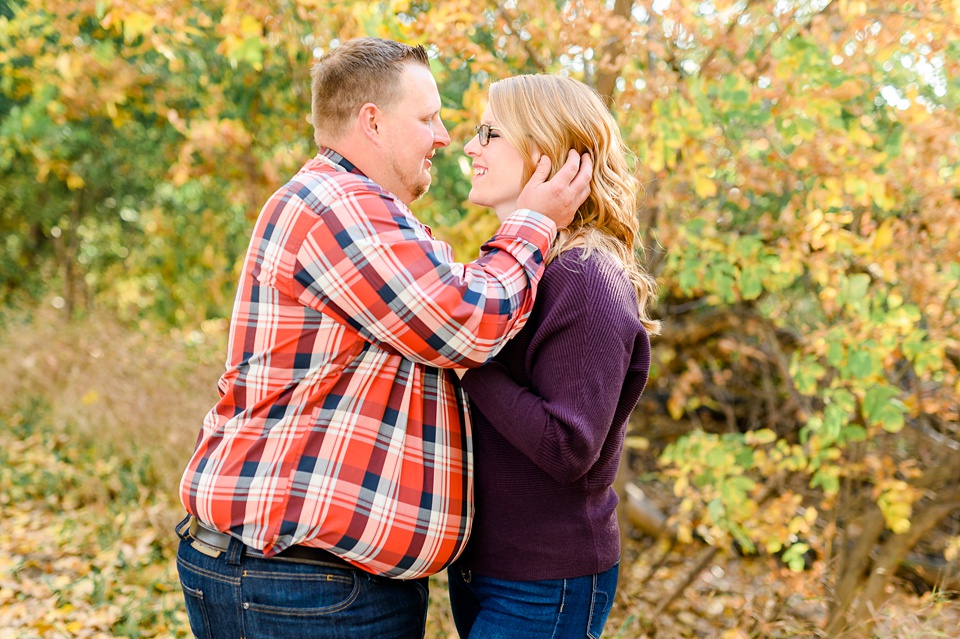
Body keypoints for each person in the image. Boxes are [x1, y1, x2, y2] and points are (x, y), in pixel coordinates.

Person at [174, 38, 592, 639]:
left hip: (303, 581)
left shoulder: (358, 208)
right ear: (372, 122)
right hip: (300, 584)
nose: (445, 137)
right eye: (428, 118)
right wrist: (538, 222)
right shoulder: (337, 205)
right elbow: (467, 322)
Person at [447, 74, 661, 639]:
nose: (470, 146)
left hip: (546, 582)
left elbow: (568, 447)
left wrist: (465, 359)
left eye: (489, 133)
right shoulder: (521, 269)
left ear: (544, 150)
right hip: (485, 568)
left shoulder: (585, 277)